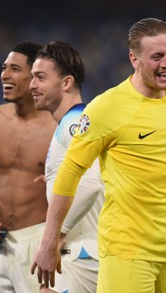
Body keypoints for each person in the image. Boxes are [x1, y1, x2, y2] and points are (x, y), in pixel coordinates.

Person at [31, 18, 166, 293]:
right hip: (126, 253)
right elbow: (69, 174)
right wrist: (49, 241)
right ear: (134, 59)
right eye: (157, 57)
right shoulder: (106, 108)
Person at [0, 41, 57, 292]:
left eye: (15, 69)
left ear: (36, 77)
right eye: (4, 68)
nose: (5, 75)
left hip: (39, 241)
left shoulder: (57, 128)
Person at [30, 41, 105, 293]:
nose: (32, 85)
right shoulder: (73, 123)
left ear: (66, 83)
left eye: (40, 77)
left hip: (83, 254)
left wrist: (54, 237)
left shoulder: (76, 122)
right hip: (82, 253)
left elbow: (91, 183)